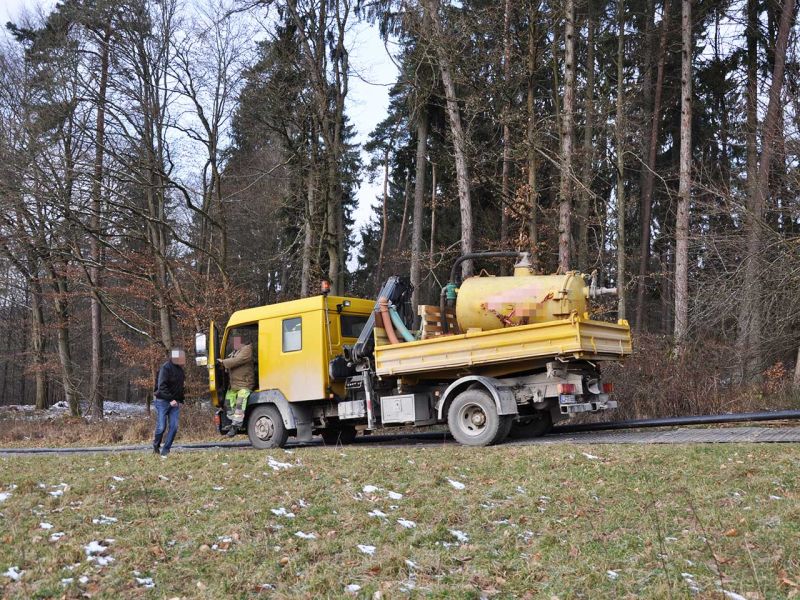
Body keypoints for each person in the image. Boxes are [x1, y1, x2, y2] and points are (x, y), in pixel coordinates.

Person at [217, 336, 254, 437]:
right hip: (234, 385)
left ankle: (235, 427)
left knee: (240, 402)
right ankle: (234, 422)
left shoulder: (246, 350)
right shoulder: (235, 351)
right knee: (228, 402)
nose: (234, 344)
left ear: (241, 342)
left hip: (245, 384)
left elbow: (237, 361)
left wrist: (223, 362)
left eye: (236, 342)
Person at [153, 349, 186, 457]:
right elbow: (161, 387)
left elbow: (180, 388)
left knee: (174, 426)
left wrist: (180, 400)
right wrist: (171, 399)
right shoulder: (165, 368)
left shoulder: (181, 371)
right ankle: (156, 445)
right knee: (161, 427)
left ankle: (166, 450)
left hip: (174, 403)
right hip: (162, 401)